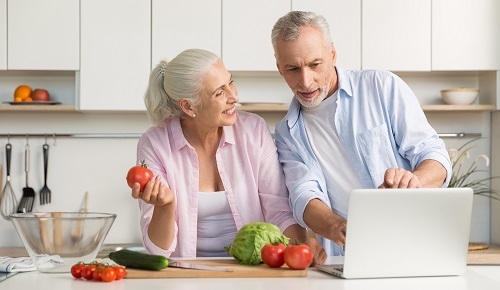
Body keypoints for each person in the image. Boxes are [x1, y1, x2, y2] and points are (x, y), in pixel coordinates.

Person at [271, 11, 452, 255]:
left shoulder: (381, 87)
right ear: (279, 68)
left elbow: (434, 156)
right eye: (293, 69)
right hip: (349, 253)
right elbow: (304, 195)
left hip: (416, 240)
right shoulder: (286, 134)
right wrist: (337, 227)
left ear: (332, 54)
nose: (305, 81)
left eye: (315, 64)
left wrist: (415, 181)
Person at [130, 48, 326, 264]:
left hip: (251, 270)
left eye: (230, 82)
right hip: (185, 274)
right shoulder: (156, 144)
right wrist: (164, 206)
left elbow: (278, 211)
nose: (234, 97)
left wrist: (299, 249)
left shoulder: (253, 131)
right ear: (188, 106)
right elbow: (158, 252)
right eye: (219, 92)